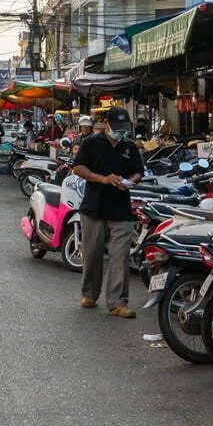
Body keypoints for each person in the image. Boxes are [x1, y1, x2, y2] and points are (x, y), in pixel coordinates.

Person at [72, 107, 143, 317]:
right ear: (106, 123)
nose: (120, 132)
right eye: (116, 128)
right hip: (94, 208)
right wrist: (103, 179)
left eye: (123, 128)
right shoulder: (91, 143)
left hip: (121, 209)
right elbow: (78, 168)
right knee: (92, 254)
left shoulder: (130, 146)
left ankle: (117, 302)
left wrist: (131, 182)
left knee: (120, 257)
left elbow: (138, 171)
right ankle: (90, 294)